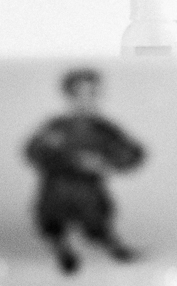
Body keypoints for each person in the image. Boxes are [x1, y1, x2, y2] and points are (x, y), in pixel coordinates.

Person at [25, 67, 144, 274]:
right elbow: (33, 151)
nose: (87, 99)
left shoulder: (104, 129)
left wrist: (106, 162)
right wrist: (66, 158)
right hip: (57, 189)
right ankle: (63, 254)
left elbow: (132, 152)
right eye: (80, 94)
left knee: (97, 223)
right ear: (70, 95)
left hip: (89, 191)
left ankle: (117, 251)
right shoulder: (56, 127)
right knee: (53, 225)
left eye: (92, 93)